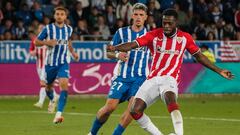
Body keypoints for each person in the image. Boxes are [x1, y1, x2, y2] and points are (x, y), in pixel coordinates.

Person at [107, 8, 234, 135]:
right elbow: (132, 45)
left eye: (170, 23)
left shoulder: (185, 38)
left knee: (171, 101)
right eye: (164, 23)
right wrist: (115, 48)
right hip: (152, 79)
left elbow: (199, 56)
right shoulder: (154, 35)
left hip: (170, 78)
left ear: (176, 23)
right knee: (135, 111)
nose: (166, 26)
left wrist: (219, 70)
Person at [88, 3, 162, 135]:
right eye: (136, 14)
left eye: (141, 15)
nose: (138, 17)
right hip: (122, 77)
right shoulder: (121, 33)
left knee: (132, 111)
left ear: (146, 17)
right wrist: (117, 54)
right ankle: (92, 133)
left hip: (140, 79)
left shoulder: (151, 36)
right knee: (109, 108)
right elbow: (108, 52)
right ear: (132, 15)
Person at [35, 6, 79, 124]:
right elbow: (36, 42)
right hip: (50, 64)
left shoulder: (69, 29)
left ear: (65, 16)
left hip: (63, 63)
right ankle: (53, 99)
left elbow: (68, 42)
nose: (59, 16)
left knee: (64, 85)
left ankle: (58, 114)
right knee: (48, 87)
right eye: (57, 14)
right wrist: (46, 42)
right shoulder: (48, 29)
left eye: (62, 14)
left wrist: (73, 53)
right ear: (54, 16)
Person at [29, 24, 58, 109]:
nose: (42, 29)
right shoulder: (35, 40)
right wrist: (33, 53)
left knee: (44, 84)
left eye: (43, 28)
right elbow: (31, 50)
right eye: (40, 28)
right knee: (48, 84)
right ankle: (55, 98)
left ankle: (41, 102)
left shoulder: (50, 39)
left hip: (49, 65)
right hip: (39, 65)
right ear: (37, 30)